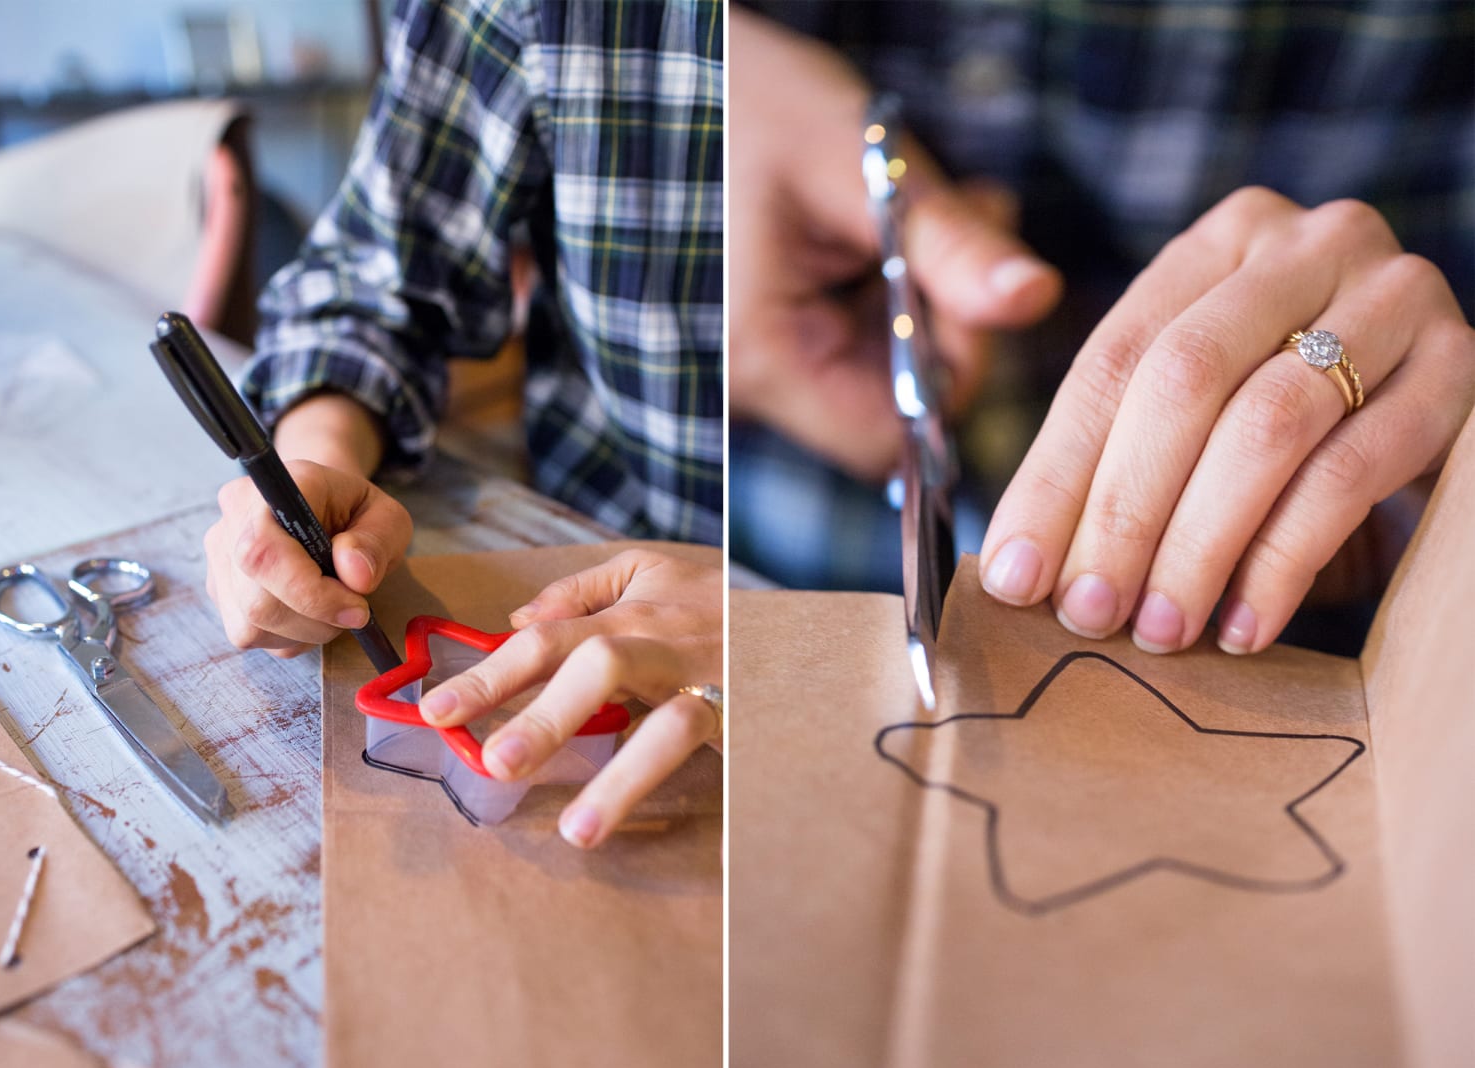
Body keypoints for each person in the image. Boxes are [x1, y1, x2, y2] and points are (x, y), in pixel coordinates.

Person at [729, 2, 1474, 657]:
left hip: (1307, 667)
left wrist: (1435, 489)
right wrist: (687, 90)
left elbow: (1428, 412)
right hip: (733, 581)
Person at [204, 0, 723, 849]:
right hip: (593, 550)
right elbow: (373, 294)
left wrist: (788, 640)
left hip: (875, 610)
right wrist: (316, 467)